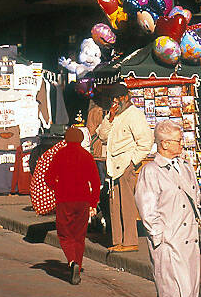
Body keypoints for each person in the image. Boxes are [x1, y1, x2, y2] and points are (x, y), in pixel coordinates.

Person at [135, 120, 201, 297]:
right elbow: (147, 208)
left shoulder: (185, 166)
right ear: (164, 144)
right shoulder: (150, 171)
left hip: (188, 238)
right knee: (173, 289)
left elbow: (195, 194)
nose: (181, 144)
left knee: (186, 288)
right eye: (178, 140)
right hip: (168, 241)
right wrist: (159, 237)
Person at [95, 83, 153, 252]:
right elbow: (102, 136)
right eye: (112, 100)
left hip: (126, 165)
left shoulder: (134, 115)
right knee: (115, 205)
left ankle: (130, 241)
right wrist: (110, 118)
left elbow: (145, 142)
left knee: (127, 205)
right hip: (113, 166)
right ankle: (117, 240)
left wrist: (132, 161)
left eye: (116, 99)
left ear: (125, 98)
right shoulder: (115, 115)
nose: (114, 103)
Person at [43, 124, 101, 284]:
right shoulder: (87, 156)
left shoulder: (59, 155)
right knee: (79, 235)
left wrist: (57, 188)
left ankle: (71, 261)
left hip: (64, 199)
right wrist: (93, 203)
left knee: (64, 233)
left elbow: (48, 178)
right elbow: (96, 182)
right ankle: (78, 263)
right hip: (83, 199)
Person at [86, 96, 110, 232]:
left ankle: (96, 214)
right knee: (102, 185)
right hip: (102, 153)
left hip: (99, 153)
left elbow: (90, 131)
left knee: (99, 184)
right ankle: (100, 214)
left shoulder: (95, 111)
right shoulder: (99, 112)